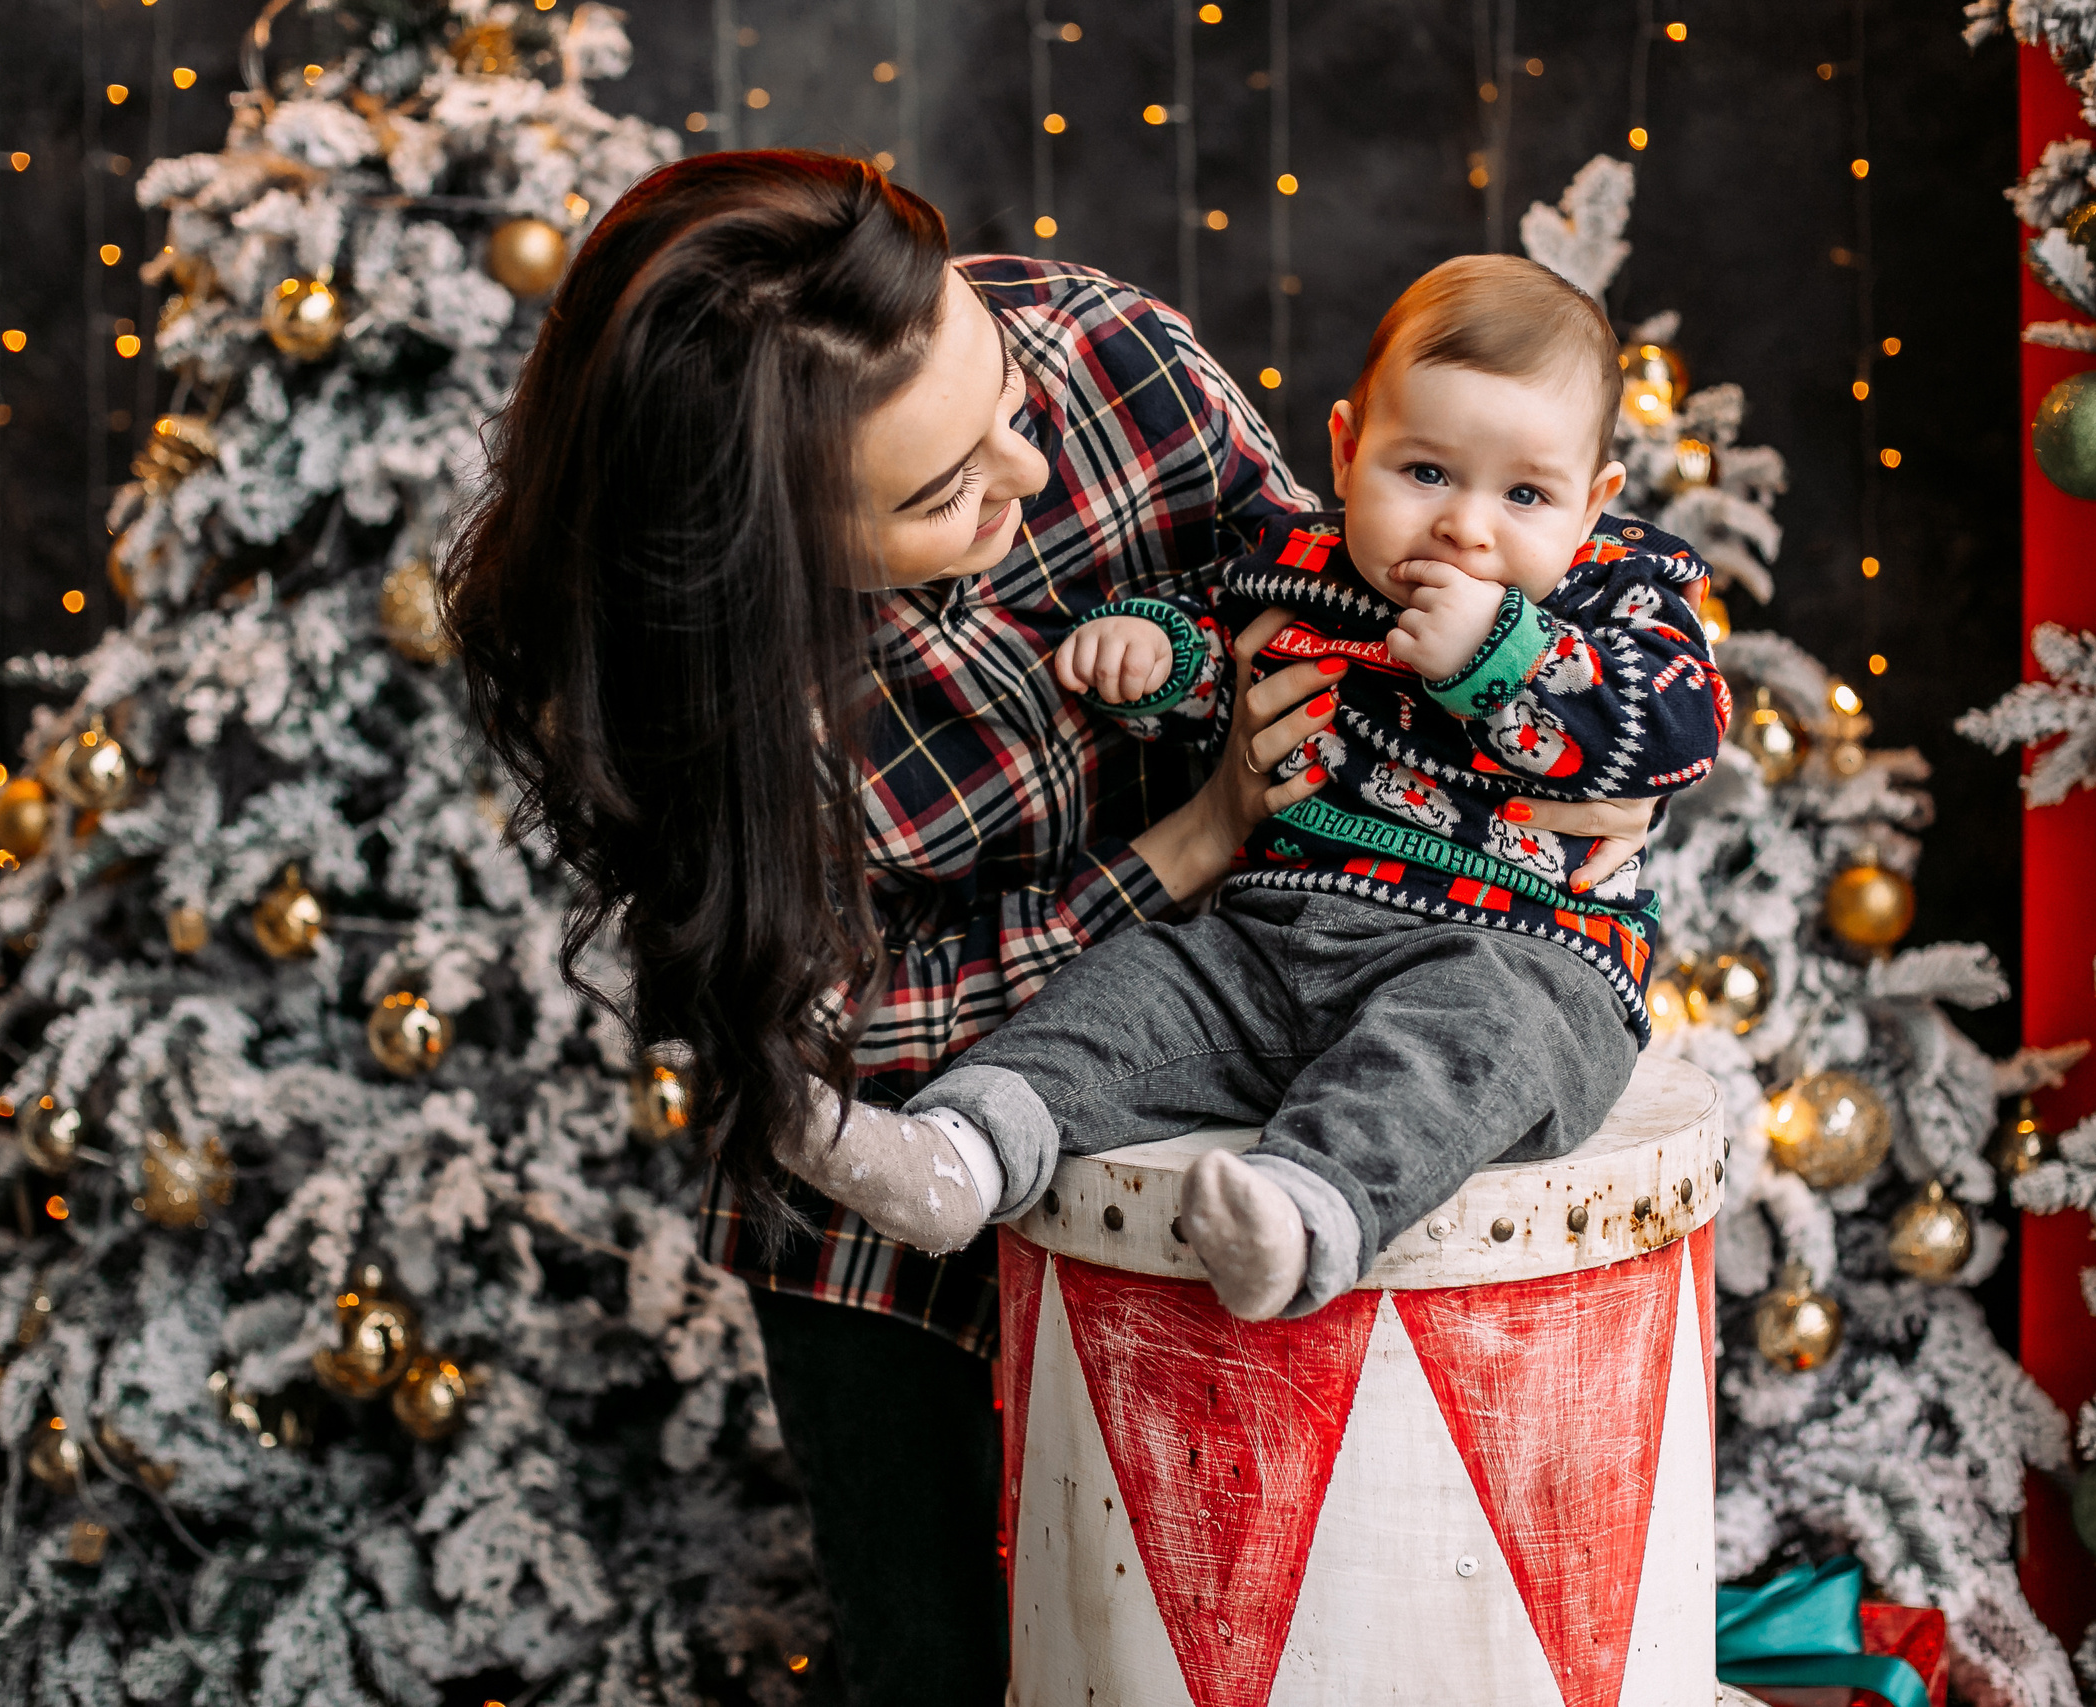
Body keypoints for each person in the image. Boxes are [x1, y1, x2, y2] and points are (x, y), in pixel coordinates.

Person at [443, 152, 1656, 1703]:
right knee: (949, 1659)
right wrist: (1186, 843)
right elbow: (833, 1032)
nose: (1023, 466)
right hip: (889, 1252)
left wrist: (1568, 750)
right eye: (943, 489)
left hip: (1220, 1112)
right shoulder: (688, 692)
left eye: (999, 394)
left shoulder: (1103, 352)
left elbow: (1350, 595)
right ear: (764, 545)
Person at [775, 254, 1728, 1324]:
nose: (1465, 526)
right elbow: (1217, 631)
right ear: (1347, 446)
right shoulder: (1300, 566)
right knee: (1122, 996)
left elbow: (1678, 718)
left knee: (1463, 1049)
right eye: (1424, 473)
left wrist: (1509, 664)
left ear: (1593, 500)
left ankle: (1304, 1211)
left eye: (1524, 495)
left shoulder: (1619, 589)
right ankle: (964, 1149)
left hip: (1510, 950)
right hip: (1265, 940)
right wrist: (1156, 650)